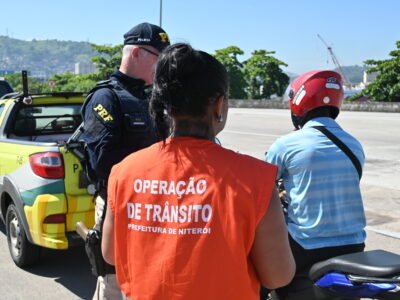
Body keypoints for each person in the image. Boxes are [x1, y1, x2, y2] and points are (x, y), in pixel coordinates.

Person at [101, 43, 295, 300]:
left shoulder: (124, 172)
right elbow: (278, 276)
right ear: (218, 105)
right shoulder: (255, 180)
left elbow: (110, 254)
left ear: (163, 104)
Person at [81, 22, 170, 300]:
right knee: (115, 283)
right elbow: (104, 163)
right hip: (118, 208)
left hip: (154, 208)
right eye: (159, 57)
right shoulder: (105, 98)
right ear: (135, 54)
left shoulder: (153, 98)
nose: (163, 66)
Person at [264, 70, 367, 299]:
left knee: (259, 268)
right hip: (354, 245)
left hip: (306, 246)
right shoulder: (355, 145)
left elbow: (261, 190)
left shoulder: (286, 145)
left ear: (299, 101)